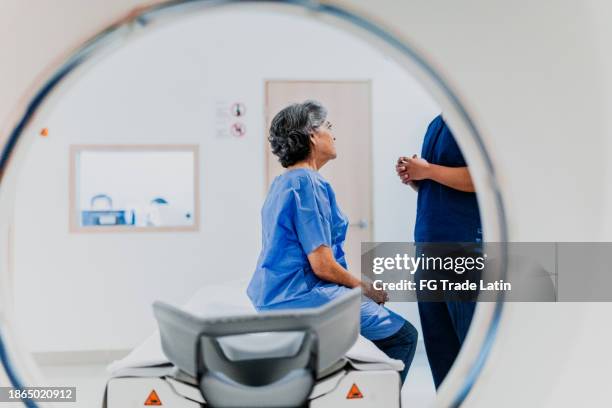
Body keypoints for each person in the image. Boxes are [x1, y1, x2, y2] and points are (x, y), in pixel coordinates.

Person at [248, 100, 418, 384]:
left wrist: (359, 286)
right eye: (328, 126)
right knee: (404, 337)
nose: (333, 134)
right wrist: (366, 288)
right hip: (302, 298)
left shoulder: (283, 182)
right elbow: (323, 266)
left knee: (373, 325)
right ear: (312, 135)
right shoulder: (307, 183)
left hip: (275, 296)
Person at [395, 114, 482, 389]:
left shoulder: (474, 117)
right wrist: (415, 178)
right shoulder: (436, 123)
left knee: (471, 354)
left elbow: (482, 179)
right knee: (441, 352)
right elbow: (439, 183)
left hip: (462, 248)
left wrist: (429, 170)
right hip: (428, 248)